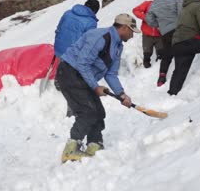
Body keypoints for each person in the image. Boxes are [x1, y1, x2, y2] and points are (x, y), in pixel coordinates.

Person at [57, 13, 139, 163]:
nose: (133, 35)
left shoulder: (118, 46)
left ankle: (94, 145)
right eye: (131, 31)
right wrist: (95, 86)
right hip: (70, 72)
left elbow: (111, 74)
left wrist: (121, 94)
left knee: (98, 112)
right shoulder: (100, 37)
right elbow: (82, 64)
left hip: (83, 76)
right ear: (124, 27)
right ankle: (70, 150)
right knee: (87, 112)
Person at [146, 0, 183, 86]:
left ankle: (161, 77)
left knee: (167, 54)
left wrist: (158, 25)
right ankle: (178, 76)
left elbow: (149, 19)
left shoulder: (155, 3)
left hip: (165, 32)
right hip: (178, 30)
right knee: (180, 52)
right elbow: (181, 14)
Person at [133, 0, 163, 68]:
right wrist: (145, 17)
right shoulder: (148, 4)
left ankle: (157, 68)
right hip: (147, 34)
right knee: (147, 52)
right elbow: (135, 10)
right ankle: (146, 66)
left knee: (161, 53)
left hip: (159, 35)